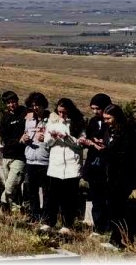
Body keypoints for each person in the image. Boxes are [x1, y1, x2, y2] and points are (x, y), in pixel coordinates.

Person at [100, 103, 136, 246]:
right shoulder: (110, 131)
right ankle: (116, 238)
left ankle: (120, 240)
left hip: (123, 177)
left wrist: (107, 151)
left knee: (118, 209)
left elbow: (126, 158)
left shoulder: (128, 134)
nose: (105, 121)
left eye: (108, 118)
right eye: (104, 119)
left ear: (117, 117)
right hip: (111, 176)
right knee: (113, 209)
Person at [42, 98, 85, 235]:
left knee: (69, 197)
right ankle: (49, 222)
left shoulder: (78, 122)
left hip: (72, 164)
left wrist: (67, 138)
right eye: (59, 112)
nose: (61, 115)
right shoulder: (52, 121)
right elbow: (46, 143)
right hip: (56, 165)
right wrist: (54, 137)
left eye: (64, 112)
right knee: (52, 196)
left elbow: (80, 143)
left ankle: (67, 224)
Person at [81, 93, 112, 232]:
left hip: (107, 166)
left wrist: (101, 144)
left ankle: (109, 225)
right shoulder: (93, 121)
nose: (95, 112)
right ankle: (99, 227)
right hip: (94, 164)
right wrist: (87, 142)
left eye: (97, 108)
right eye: (92, 109)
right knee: (96, 199)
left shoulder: (111, 123)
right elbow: (89, 138)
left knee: (107, 199)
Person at [21, 92, 51, 222]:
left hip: (45, 160)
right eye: (32, 105)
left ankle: (46, 216)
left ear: (43, 105)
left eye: (38, 105)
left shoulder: (51, 119)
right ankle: (34, 214)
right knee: (31, 190)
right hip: (30, 158)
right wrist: (23, 138)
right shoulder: (28, 119)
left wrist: (47, 138)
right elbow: (23, 134)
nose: (35, 108)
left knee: (46, 191)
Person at [0, 91, 27, 211]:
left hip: (20, 156)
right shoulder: (4, 118)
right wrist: (17, 140)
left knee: (10, 185)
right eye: (8, 103)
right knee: (13, 186)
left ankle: (2, 202)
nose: (12, 104)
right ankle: (16, 211)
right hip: (6, 155)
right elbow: (5, 139)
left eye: (13, 101)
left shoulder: (25, 112)